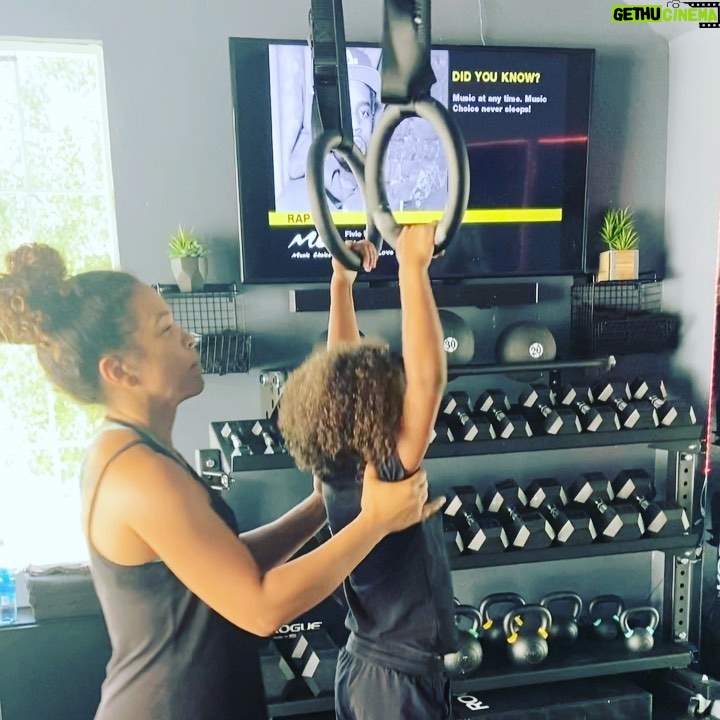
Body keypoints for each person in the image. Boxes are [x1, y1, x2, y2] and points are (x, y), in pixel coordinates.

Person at [0, 243, 444, 720]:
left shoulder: (137, 453)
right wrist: (374, 521)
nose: (189, 338)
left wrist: (319, 507)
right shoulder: (138, 474)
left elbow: (222, 570)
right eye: (166, 330)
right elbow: (259, 607)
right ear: (119, 370)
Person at [277, 225, 458, 720]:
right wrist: (412, 269)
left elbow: (341, 366)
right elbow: (429, 378)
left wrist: (341, 283)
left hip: (363, 665)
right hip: (395, 681)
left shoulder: (339, 463)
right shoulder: (388, 470)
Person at [276, 48, 381, 213]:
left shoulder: (394, 199)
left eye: (364, 112)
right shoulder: (291, 202)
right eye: (343, 112)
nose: (355, 125)